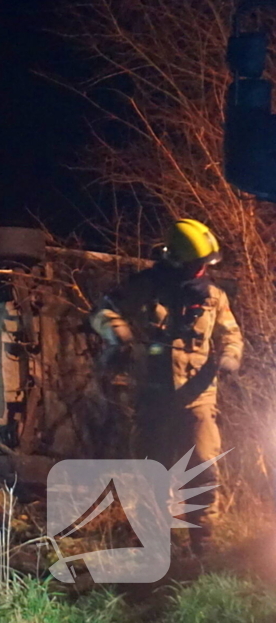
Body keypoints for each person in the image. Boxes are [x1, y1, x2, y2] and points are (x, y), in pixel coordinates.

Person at [90, 218, 243, 556]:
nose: (201, 270)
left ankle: (203, 544)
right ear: (177, 259)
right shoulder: (143, 287)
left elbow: (231, 335)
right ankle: (154, 545)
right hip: (153, 397)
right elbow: (101, 311)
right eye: (196, 264)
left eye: (205, 264)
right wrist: (117, 332)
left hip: (198, 397)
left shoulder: (213, 297)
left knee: (202, 466)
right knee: (151, 471)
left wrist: (231, 358)